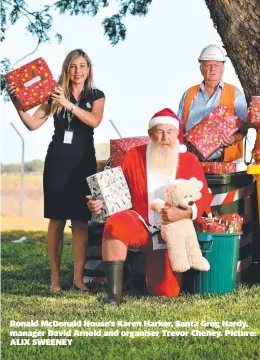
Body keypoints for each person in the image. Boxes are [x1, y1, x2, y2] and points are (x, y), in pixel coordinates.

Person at [87, 108, 212, 305]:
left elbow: (204, 197)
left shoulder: (189, 160)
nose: (165, 137)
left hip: (172, 232)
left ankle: (142, 274)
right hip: (140, 222)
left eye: (170, 132)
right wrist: (100, 205)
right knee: (115, 224)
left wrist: (184, 213)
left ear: (177, 134)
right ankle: (113, 295)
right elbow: (117, 194)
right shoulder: (133, 156)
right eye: (159, 131)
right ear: (150, 134)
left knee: (166, 292)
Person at [7, 49, 105, 292]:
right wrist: (17, 102)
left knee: (81, 221)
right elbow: (32, 124)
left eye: (82, 66)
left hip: (83, 162)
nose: (78, 71)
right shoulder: (53, 94)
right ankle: (55, 280)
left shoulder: (96, 95)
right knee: (57, 220)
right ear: (66, 69)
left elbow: (94, 121)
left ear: (88, 69)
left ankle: (78, 279)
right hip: (57, 162)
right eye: (73, 66)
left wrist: (68, 105)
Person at [178, 44, 248, 162]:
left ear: (223, 68)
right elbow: (179, 128)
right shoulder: (189, 94)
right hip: (192, 160)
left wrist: (234, 138)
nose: (213, 69)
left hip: (225, 162)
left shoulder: (234, 93)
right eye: (208, 65)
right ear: (201, 68)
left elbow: (245, 126)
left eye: (216, 65)